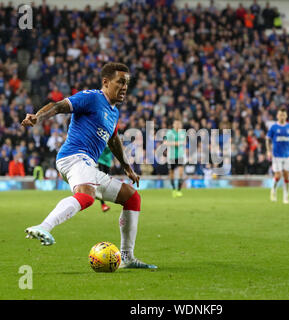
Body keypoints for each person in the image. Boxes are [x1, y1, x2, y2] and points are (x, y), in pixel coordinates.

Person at [21, 62, 156, 269]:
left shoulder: (113, 112)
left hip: (88, 165)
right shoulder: (92, 97)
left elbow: (112, 139)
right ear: (106, 82)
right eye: (120, 82)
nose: (125, 87)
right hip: (73, 157)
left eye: (127, 83)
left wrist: (127, 166)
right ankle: (44, 226)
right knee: (86, 195)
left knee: (131, 197)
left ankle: (127, 257)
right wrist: (38, 117)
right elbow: (58, 106)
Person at [266, 107, 289, 204]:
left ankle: (286, 198)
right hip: (277, 155)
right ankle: (273, 190)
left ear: (286, 116)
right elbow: (267, 140)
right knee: (278, 175)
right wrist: (268, 151)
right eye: (280, 114)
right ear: (277, 116)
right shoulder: (273, 127)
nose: (282, 116)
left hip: (288, 155)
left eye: (283, 115)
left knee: (286, 176)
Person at [165, 119, 186, 198]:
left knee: (181, 173)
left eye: (179, 123)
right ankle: (174, 189)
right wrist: (176, 143)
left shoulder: (182, 133)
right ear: (173, 124)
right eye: (176, 123)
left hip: (180, 155)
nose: (178, 125)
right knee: (172, 173)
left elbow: (184, 142)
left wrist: (180, 143)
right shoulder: (170, 133)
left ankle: (179, 190)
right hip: (171, 156)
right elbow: (165, 142)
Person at [97, 147, 113, 212]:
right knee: (101, 183)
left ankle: (103, 203)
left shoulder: (111, 138)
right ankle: (103, 204)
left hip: (108, 162)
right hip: (101, 161)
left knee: (107, 183)